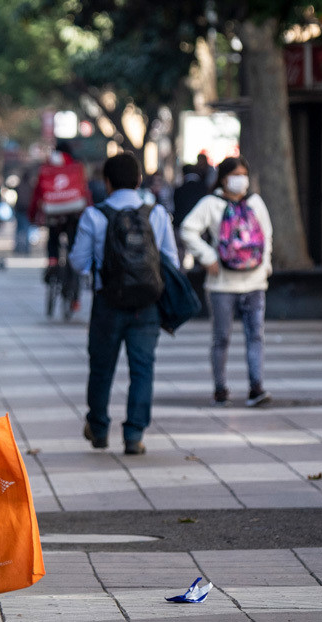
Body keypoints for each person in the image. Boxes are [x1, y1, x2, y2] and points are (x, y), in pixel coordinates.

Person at [69, 152, 178, 456]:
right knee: (142, 368)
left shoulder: (94, 215)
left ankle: (99, 429)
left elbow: (78, 262)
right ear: (139, 180)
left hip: (108, 303)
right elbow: (171, 260)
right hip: (147, 304)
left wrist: (100, 268)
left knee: (102, 368)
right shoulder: (155, 214)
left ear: (106, 182)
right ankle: (134, 435)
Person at [180, 156, 273, 408]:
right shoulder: (211, 204)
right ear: (223, 178)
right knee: (221, 338)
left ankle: (256, 387)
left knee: (256, 336)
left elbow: (266, 235)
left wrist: (265, 267)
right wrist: (207, 256)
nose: (240, 179)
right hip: (221, 285)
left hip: (254, 283)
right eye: (235, 174)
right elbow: (187, 229)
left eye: (244, 174)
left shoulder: (255, 202)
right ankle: (220, 388)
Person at [29, 140, 91, 313]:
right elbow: (85, 192)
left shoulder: (47, 167)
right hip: (74, 214)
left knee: (53, 239)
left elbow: (37, 194)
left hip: (53, 214)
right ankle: (75, 298)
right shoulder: (77, 166)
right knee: (73, 250)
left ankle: (53, 262)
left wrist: (33, 215)